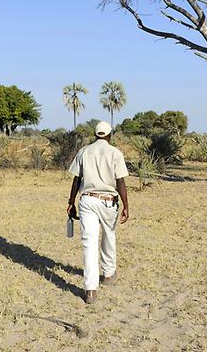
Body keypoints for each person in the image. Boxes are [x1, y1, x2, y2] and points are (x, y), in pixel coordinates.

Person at [66, 121, 130, 304]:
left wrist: (71, 202)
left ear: (96, 135)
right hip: (109, 201)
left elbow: (76, 179)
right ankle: (109, 273)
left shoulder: (84, 151)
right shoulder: (115, 153)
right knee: (109, 235)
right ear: (110, 135)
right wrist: (126, 206)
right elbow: (121, 183)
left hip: (87, 200)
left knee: (89, 242)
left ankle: (90, 289)